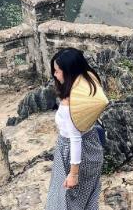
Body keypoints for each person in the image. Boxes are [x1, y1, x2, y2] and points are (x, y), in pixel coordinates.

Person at [45, 48, 105, 210]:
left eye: (57, 71)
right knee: (87, 196)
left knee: (67, 200)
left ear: (69, 72)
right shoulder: (89, 85)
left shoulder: (68, 106)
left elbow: (75, 139)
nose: (55, 75)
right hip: (93, 147)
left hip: (72, 154)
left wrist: (73, 174)